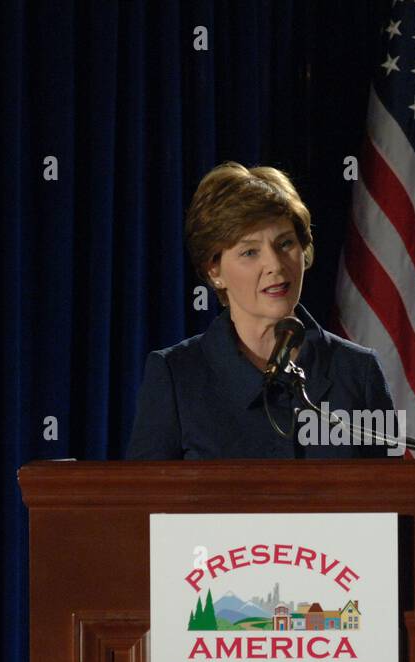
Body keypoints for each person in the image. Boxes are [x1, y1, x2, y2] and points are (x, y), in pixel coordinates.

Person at [124, 161, 396, 460]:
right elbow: (144, 502)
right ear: (214, 270)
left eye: (285, 244)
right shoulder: (176, 376)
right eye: (250, 252)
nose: (276, 266)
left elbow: (392, 497)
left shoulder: (358, 371)